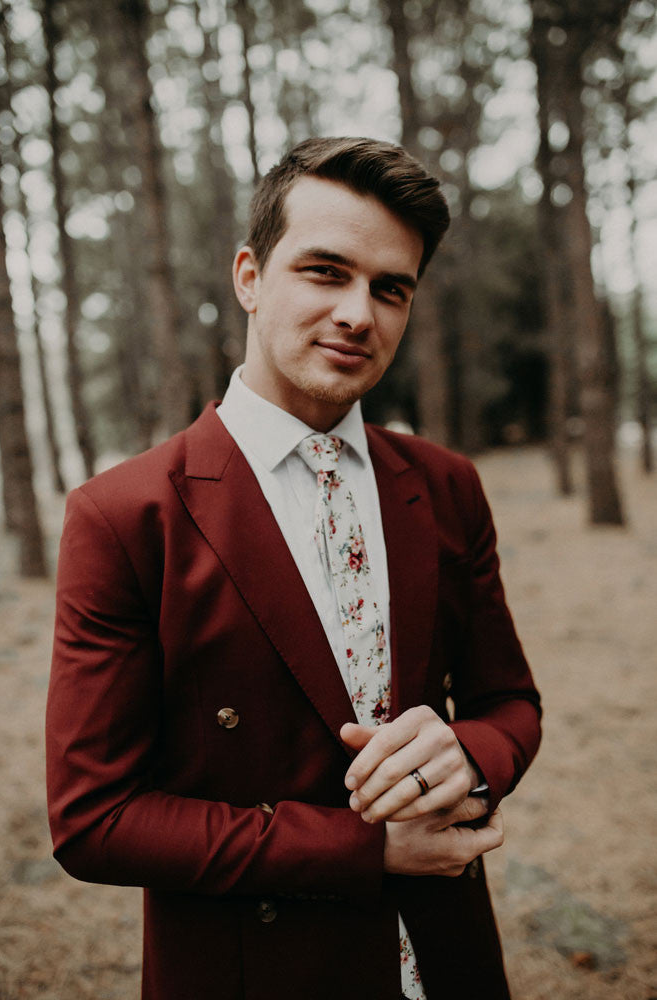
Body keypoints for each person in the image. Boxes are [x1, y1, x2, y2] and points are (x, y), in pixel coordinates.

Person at [46, 136, 541, 1000]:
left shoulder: (446, 485)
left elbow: (509, 704)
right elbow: (95, 818)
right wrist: (364, 848)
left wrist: (469, 756)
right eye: (325, 271)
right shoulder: (126, 516)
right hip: (250, 970)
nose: (360, 313)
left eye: (391, 289)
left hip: (449, 955)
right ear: (249, 277)